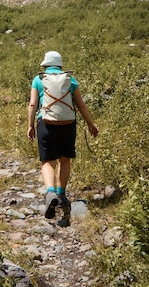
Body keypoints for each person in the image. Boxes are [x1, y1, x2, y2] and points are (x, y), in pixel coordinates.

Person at [27, 50, 98, 222]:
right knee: (64, 160)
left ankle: (50, 192)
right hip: (68, 124)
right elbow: (81, 105)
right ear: (60, 65)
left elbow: (32, 104)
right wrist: (90, 124)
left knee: (48, 162)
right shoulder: (70, 79)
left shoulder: (39, 79)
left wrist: (30, 126)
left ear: (45, 65)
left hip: (45, 123)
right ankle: (61, 194)